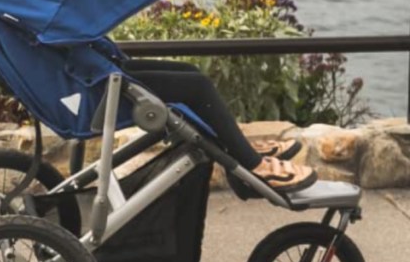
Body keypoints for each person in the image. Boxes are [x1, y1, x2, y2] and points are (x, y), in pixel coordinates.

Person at [119, 58, 316, 193]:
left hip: (100, 70)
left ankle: (238, 150)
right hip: (104, 84)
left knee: (190, 72)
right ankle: (253, 165)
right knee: (198, 86)